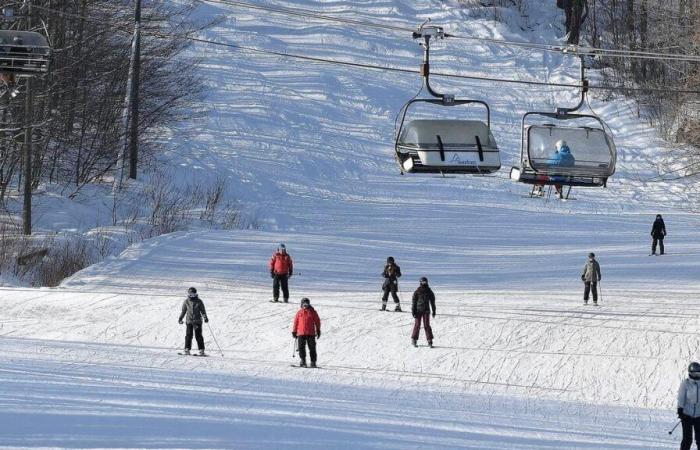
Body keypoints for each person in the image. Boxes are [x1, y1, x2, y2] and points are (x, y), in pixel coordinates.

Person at [178, 287, 209, 356]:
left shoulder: (199, 301)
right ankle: (187, 349)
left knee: (198, 336)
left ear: (195, 294)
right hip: (189, 321)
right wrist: (180, 318)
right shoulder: (186, 301)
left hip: (197, 321)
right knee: (188, 335)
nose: (191, 295)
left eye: (193, 294)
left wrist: (205, 317)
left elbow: (203, 310)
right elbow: (183, 311)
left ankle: (201, 350)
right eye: (190, 293)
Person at [292, 297, 321, 368]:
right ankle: (303, 361)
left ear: (309, 304)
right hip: (301, 333)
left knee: (312, 348)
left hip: (310, 333)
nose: (305, 305)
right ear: (301, 304)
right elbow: (296, 322)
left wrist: (318, 330)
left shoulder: (313, 312)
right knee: (301, 347)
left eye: (306, 304)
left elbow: (317, 321)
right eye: (303, 304)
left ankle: (313, 362)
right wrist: (294, 331)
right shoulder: (299, 313)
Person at [677, 362, 700, 450]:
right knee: (687, 439)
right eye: (694, 373)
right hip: (687, 415)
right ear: (690, 373)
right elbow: (681, 397)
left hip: (699, 415)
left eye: (698, 373)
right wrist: (680, 409)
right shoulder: (685, 384)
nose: (696, 375)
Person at [411, 277, 436, 348]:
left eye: (425, 282)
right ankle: (414, 339)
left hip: (426, 310)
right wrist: (413, 311)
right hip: (418, 311)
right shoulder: (417, 291)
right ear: (420, 282)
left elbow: (432, 302)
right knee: (417, 325)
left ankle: (429, 341)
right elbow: (414, 302)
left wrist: (434, 311)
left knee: (427, 325)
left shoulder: (429, 291)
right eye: (423, 282)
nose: (424, 283)